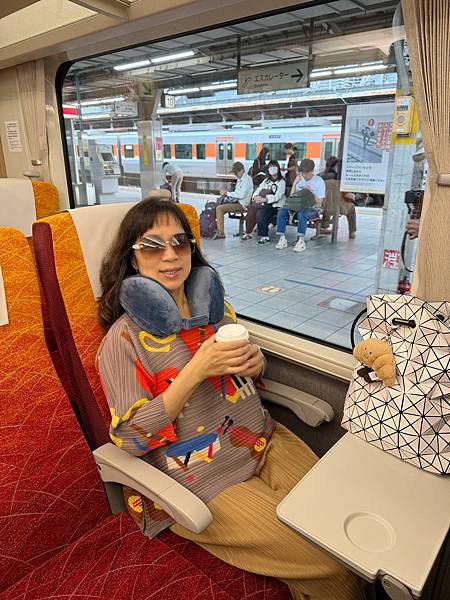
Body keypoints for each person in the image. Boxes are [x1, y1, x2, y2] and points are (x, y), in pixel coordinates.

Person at [96, 197, 363, 600]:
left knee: (348, 533)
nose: (169, 255)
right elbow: (129, 438)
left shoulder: (216, 310)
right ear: (132, 259)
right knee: (333, 565)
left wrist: (257, 365)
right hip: (201, 478)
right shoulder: (122, 340)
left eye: (180, 242)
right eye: (151, 246)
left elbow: (242, 385)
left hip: (263, 441)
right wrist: (195, 370)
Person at [275, 159, 325, 253]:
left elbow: (319, 202)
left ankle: (301, 240)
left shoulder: (319, 181)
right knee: (282, 211)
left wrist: (310, 192)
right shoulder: (300, 179)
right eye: (302, 173)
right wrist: (295, 183)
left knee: (302, 214)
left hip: (313, 208)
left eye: (306, 173)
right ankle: (282, 238)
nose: (304, 175)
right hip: (297, 206)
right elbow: (292, 196)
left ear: (312, 171)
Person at [319, 157, 357, 239]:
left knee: (328, 202)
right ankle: (352, 231)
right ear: (335, 166)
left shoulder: (320, 176)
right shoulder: (339, 179)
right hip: (338, 207)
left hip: (321, 205)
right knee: (351, 208)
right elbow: (347, 195)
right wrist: (354, 196)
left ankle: (324, 227)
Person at [249, 160, 286, 245]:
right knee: (254, 209)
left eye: (274, 167)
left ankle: (264, 236)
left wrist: (265, 199)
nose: (272, 169)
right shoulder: (266, 181)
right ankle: (250, 232)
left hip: (276, 206)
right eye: (270, 167)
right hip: (265, 204)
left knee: (261, 212)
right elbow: (258, 189)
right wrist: (255, 197)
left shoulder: (282, 182)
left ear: (278, 168)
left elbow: (278, 196)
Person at [214, 161, 253, 239]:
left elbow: (241, 195)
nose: (235, 174)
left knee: (219, 209)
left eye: (236, 172)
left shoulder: (247, 180)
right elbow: (236, 193)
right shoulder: (240, 179)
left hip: (242, 204)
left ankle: (221, 233)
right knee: (217, 205)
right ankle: (215, 229)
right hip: (236, 202)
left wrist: (227, 193)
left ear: (241, 170)